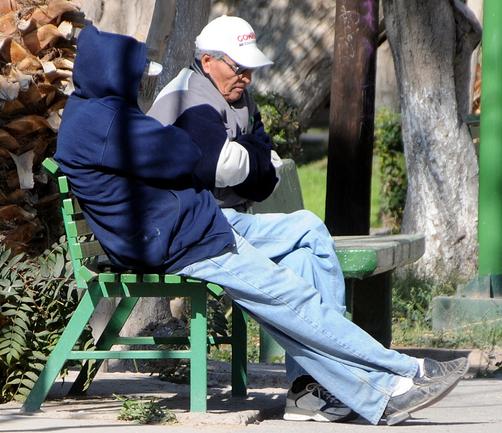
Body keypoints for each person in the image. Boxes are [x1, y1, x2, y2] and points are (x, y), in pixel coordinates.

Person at [55, 25, 469, 426]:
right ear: (114, 76)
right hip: (185, 242)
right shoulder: (109, 122)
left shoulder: (96, 113)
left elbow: (185, 155)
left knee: (300, 262)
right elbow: (187, 152)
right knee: (295, 302)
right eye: (136, 78)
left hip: (190, 229)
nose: (141, 86)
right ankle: (401, 374)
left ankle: (328, 390)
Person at [146, 15, 353, 421]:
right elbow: (221, 167)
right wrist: (252, 155)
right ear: (208, 61)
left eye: (250, 69)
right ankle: (343, 369)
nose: (247, 77)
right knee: (310, 227)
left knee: (302, 260)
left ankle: (306, 390)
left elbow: (266, 178)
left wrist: (248, 156)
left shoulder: (239, 99)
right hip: (193, 231)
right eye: (238, 67)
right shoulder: (190, 97)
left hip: (221, 221)